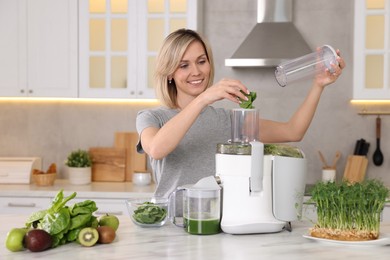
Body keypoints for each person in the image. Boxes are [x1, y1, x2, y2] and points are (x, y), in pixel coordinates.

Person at [136, 28, 345, 198]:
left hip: (216, 225)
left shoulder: (226, 121)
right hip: (172, 229)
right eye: (184, 65)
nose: (196, 72)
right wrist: (204, 98)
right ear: (169, 73)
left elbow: (293, 131)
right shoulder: (151, 117)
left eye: (201, 61)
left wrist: (318, 86)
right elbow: (156, 148)